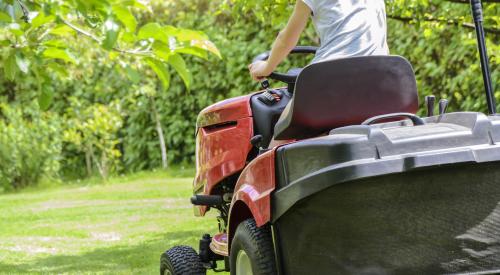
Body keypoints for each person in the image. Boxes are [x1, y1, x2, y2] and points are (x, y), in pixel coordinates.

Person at [249, 0, 389, 81]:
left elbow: (286, 40)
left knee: (280, 125)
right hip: (381, 75)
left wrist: (266, 67)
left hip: (333, 78)